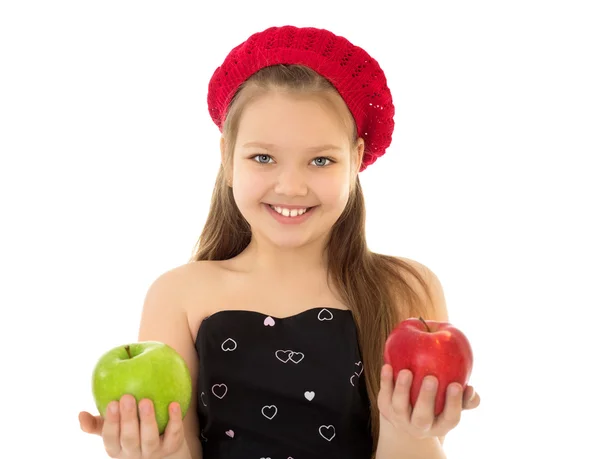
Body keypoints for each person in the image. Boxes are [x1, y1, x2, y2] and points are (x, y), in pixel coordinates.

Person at [79, 24, 480, 459]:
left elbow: (416, 448)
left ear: (357, 161)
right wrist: (154, 451)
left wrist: (412, 432)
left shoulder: (405, 288)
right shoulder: (178, 294)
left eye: (321, 160)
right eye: (263, 157)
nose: (290, 186)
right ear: (227, 159)